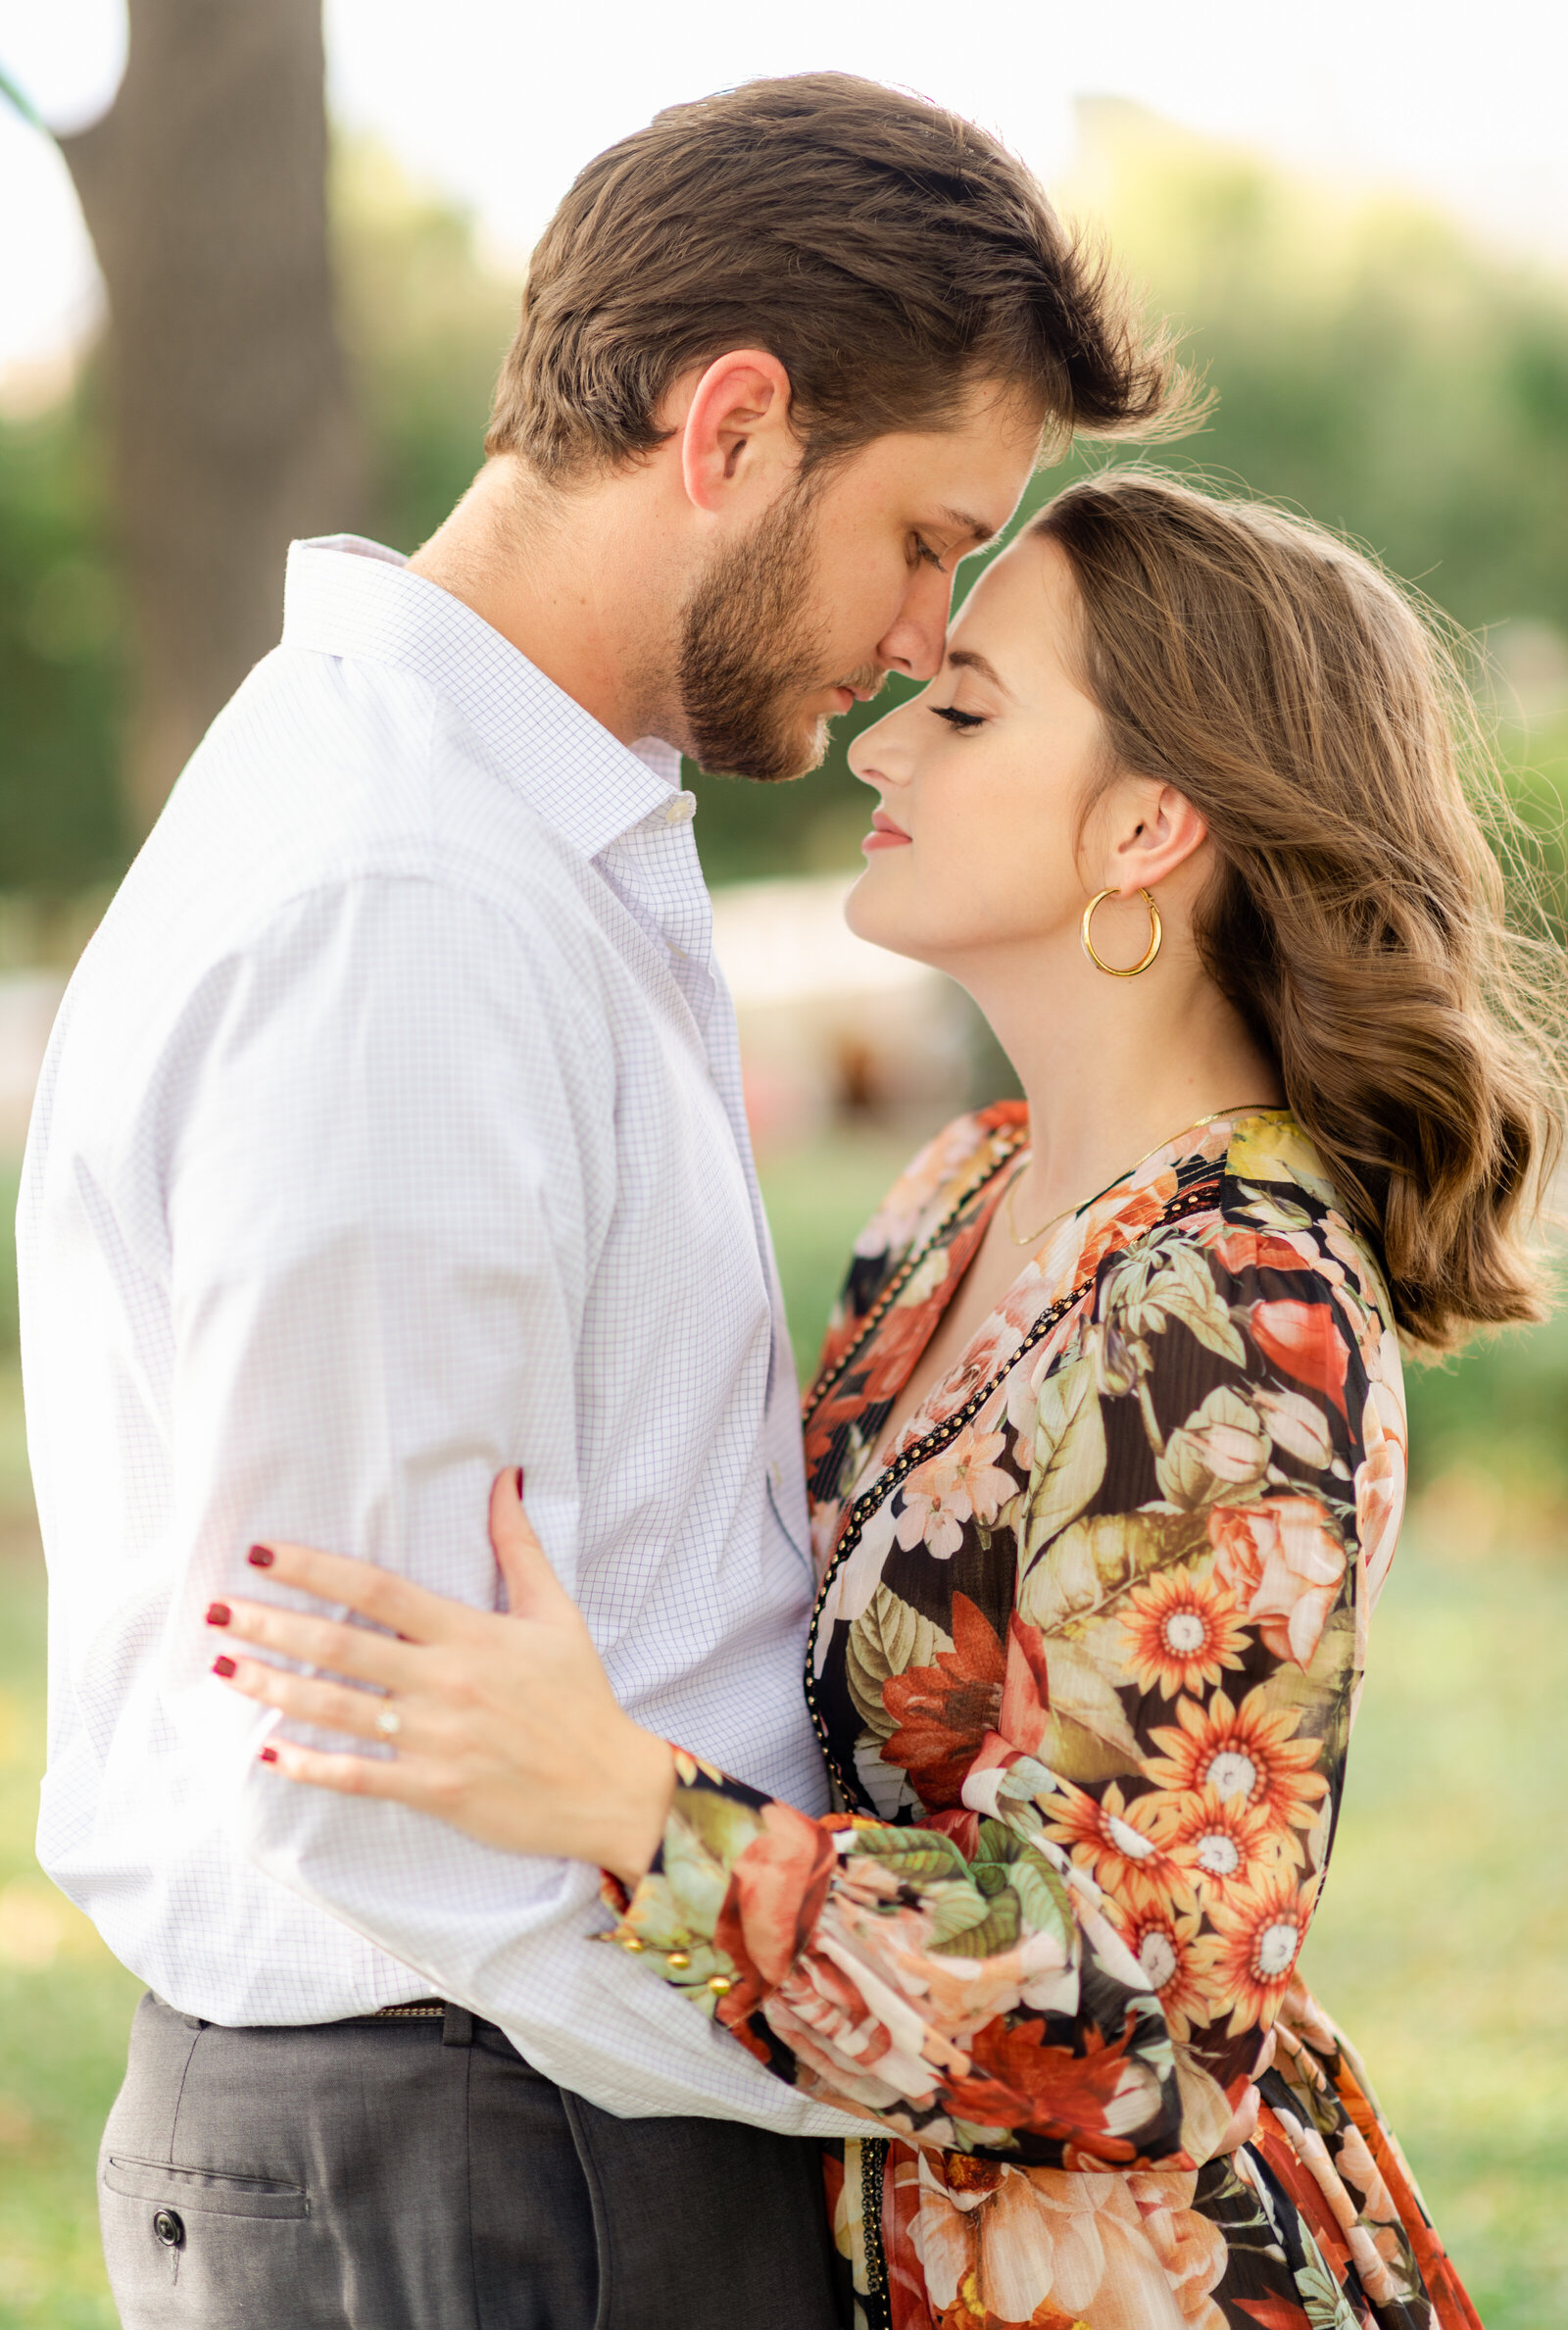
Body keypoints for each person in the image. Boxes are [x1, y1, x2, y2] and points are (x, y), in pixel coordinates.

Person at [20, 70, 1186, 2330]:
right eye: (929, 535)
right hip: (497, 2140)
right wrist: (869, 2073)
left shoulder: (524, 829)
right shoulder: (406, 901)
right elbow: (385, 1765)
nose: (926, 631)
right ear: (728, 424)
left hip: (540, 2112)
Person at [208, 470, 1562, 2329]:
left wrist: (627, 1806)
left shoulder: (1234, 1300)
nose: (880, 735)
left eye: (971, 703)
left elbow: (1160, 2005)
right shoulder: (957, 1201)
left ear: (1150, 824)